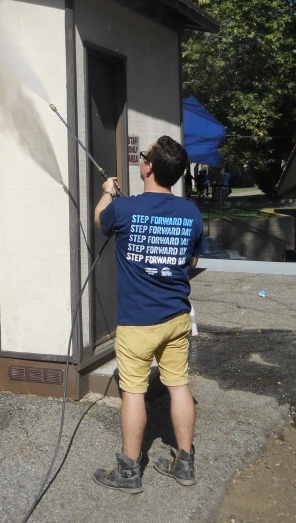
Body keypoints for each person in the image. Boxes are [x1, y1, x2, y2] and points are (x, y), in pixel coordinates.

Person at [92, 135, 206, 494]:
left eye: (142, 156)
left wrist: (109, 191)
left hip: (137, 323)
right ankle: (183, 463)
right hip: (175, 319)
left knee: (134, 393)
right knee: (179, 385)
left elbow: (100, 220)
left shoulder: (124, 208)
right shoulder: (191, 212)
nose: (140, 160)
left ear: (149, 167)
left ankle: (128, 472)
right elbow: (192, 261)